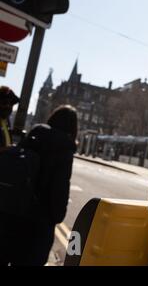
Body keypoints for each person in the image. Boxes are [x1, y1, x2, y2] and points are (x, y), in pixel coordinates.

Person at [0, 105, 78, 266]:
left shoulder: (34, 135)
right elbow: (59, 189)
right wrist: (56, 216)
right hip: (37, 226)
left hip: (9, 214)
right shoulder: (64, 149)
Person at [0, 86, 20, 151]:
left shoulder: (6, 121)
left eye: (11, 104)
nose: (8, 106)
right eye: (4, 103)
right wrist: (7, 150)